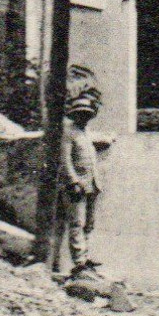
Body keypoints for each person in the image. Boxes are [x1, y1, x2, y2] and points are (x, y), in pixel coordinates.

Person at [58, 90, 103, 277]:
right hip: (77, 186)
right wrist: (73, 181)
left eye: (87, 113)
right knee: (77, 222)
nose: (84, 116)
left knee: (89, 224)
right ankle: (79, 261)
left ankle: (86, 257)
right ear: (74, 114)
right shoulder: (69, 133)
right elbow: (65, 159)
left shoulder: (86, 134)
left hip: (92, 185)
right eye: (80, 113)